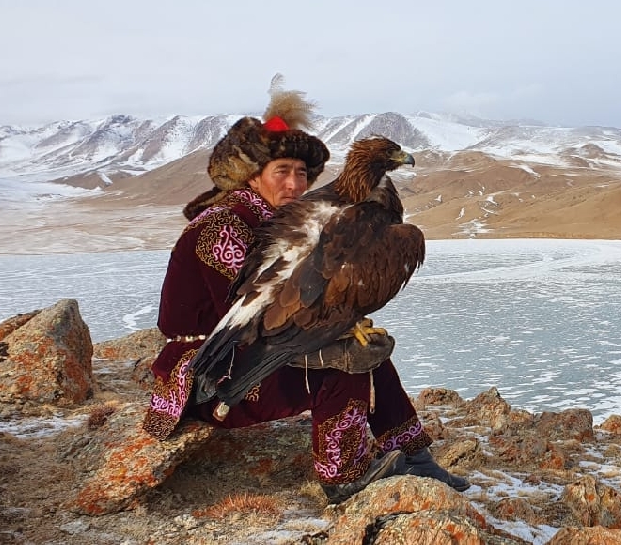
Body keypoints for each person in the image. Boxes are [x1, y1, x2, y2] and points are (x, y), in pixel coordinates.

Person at [141, 78, 468, 503]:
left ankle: (411, 454)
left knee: (367, 348)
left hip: (248, 348)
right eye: (282, 172)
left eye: (301, 173)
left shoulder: (283, 217)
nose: (295, 185)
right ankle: (344, 476)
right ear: (252, 175)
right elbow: (253, 320)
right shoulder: (222, 227)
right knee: (343, 363)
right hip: (207, 372)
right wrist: (327, 338)